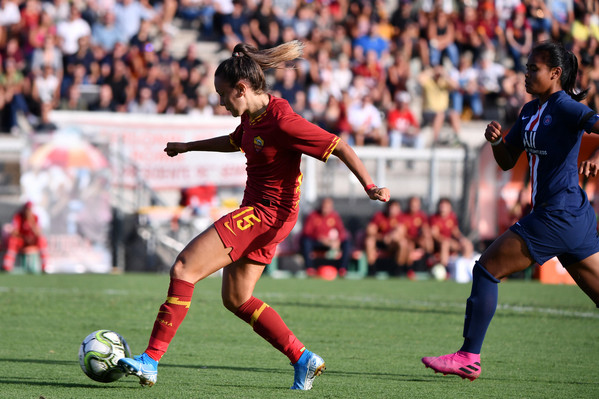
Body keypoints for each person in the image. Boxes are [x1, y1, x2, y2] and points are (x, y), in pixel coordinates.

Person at [117, 41, 390, 389]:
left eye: (222, 94)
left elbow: (339, 145)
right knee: (236, 298)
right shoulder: (252, 115)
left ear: (241, 89)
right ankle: (303, 358)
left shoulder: (285, 123)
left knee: (184, 268)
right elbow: (236, 141)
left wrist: (370, 186)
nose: (219, 101)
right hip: (267, 216)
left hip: (264, 214)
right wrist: (188, 146)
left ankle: (151, 360)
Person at [422, 41, 599, 381]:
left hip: (556, 214)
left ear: (555, 73)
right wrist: (496, 141)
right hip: (572, 217)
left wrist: (595, 157)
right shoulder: (530, 111)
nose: (526, 73)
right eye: (526, 67)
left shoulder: (565, 106)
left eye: (534, 68)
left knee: (487, 269)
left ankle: (468, 357)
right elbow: (506, 162)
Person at [300, 197, 352, 276]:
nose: (326, 209)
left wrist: (337, 241)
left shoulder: (334, 216)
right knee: (306, 242)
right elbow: (306, 232)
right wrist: (320, 238)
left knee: (346, 243)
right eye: (324, 206)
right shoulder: (313, 215)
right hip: (317, 242)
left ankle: (342, 269)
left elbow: (342, 231)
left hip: (330, 243)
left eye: (328, 207)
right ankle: (309, 268)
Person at [363, 199, 408, 276]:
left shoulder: (401, 217)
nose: (393, 211)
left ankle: (398, 269)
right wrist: (383, 237)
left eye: (395, 208)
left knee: (403, 243)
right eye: (391, 208)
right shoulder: (379, 216)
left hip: (393, 244)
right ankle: (371, 269)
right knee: (369, 241)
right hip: (379, 243)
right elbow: (370, 231)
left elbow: (401, 232)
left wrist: (391, 237)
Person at [429, 197, 474, 271]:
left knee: (467, 244)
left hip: (451, 242)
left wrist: (461, 239)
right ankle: (445, 269)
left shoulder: (452, 217)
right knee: (445, 244)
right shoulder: (434, 218)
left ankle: (467, 268)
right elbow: (435, 235)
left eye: (445, 206)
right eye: (441, 206)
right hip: (439, 243)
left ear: (449, 207)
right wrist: (446, 240)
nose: (442, 208)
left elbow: (455, 231)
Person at [2, 201, 48, 273]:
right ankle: (7, 265)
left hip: (32, 241)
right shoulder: (18, 217)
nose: (28, 211)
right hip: (21, 240)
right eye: (27, 209)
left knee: (41, 240)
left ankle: (45, 266)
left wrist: (32, 223)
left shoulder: (35, 217)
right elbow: (14, 232)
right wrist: (24, 237)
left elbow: (39, 233)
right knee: (13, 240)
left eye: (29, 209)